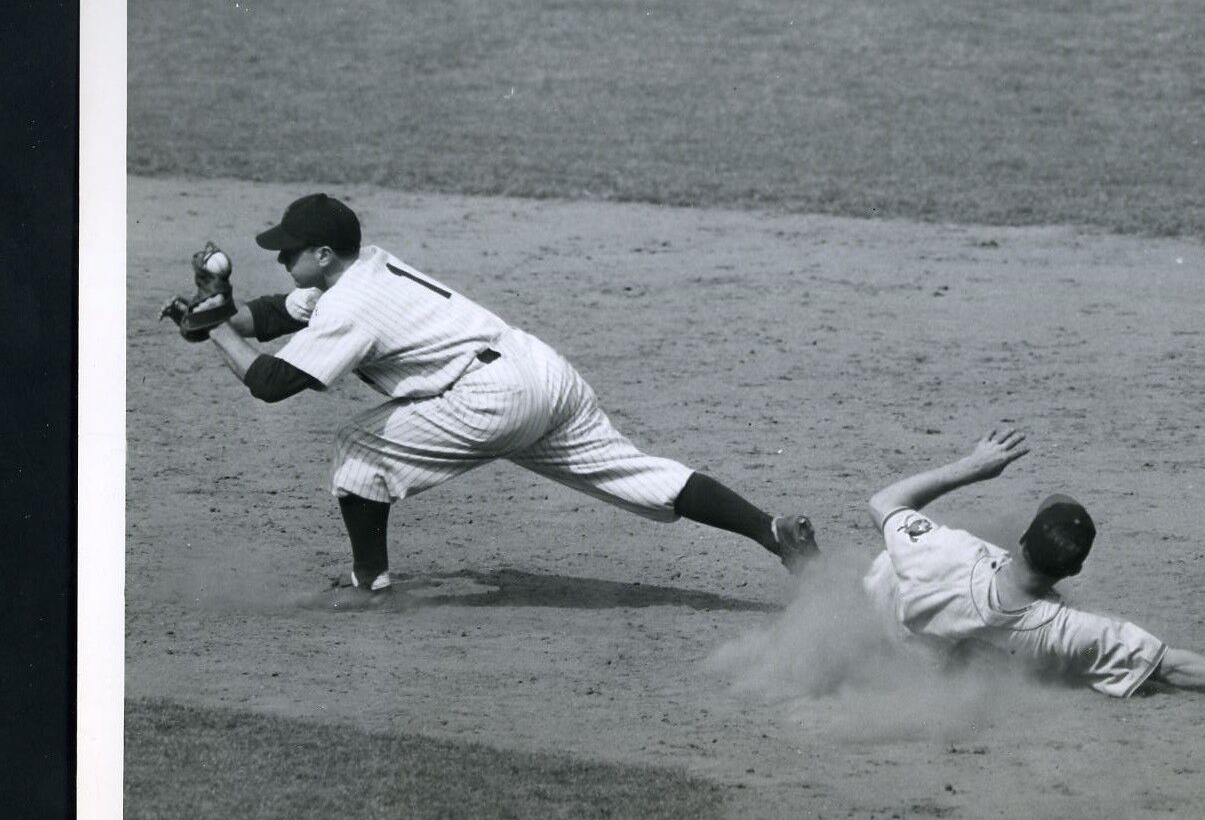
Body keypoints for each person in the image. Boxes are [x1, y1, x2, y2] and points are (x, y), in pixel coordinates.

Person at [161, 193, 820, 597]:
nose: (282, 258)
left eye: (290, 250)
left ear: (325, 253)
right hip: (544, 375)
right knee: (639, 475)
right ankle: (773, 533)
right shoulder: (367, 268)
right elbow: (274, 313)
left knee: (357, 455)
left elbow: (269, 383)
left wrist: (214, 325)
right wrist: (218, 312)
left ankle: (369, 581)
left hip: (488, 398)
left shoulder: (351, 304)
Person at [861, 426, 1205, 698]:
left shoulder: (949, 554)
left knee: (876, 575)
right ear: (1074, 570)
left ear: (1023, 537)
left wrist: (975, 466)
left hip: (874, 618)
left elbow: (886, 501)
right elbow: (1174, 666)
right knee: (1136, 676)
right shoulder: (1067, 631)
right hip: (912, 673)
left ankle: (803, 556)